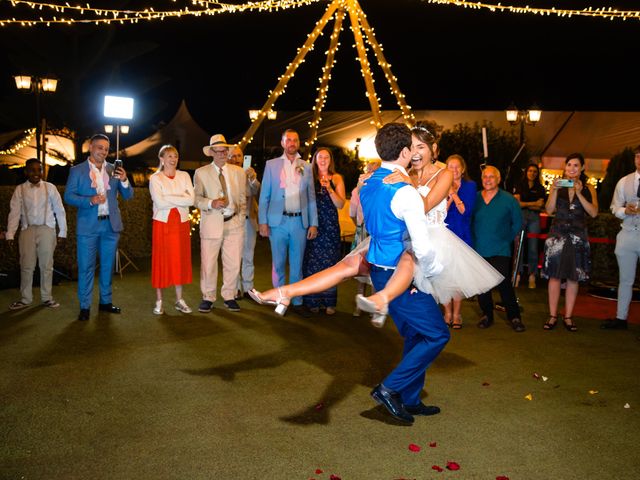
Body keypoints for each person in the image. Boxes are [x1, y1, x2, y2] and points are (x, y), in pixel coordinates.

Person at [64, 133, 134, 321]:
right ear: (91, 148)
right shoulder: (77, 171)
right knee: (86, 267)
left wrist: (125, 180)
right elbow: (68, 196)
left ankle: (105, 303)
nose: (103, 151)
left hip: (110, 228)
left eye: (106, 148)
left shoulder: (114, 169)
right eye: (99, 147)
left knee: (107, 267)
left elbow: (128, 196)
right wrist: (90, 200)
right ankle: (85, 306)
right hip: (88, 228)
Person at [258, 129, 318, 317]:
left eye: (295, 140)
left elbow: (311, 197)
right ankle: (279, 297)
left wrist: (313, 223)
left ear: (299, 143)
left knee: (297, 263)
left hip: (300, 222)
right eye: (288, 140)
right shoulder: (271, 165)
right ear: (283, 143)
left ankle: (297, 301)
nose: (292, 143)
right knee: (278, 263)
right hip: (278, 221)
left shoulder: (307, 166)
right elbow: (264, 196)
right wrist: (263, 222)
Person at [542, 153, 598, 331]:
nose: (572, 169)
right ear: (565, 168)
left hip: (578, 236)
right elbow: (549, 210)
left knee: (574, 276)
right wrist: (554, 191)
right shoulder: (558, 185)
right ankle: (552, 316)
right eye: (569, 165)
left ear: (581, 168)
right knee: (554, 275)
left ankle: (568, 316)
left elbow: (594, 212)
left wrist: (580, 194)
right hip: (557, 234)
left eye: (576, 165)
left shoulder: (589, 187)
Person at [194, 134, 247, 313]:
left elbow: (242, 199)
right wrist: (211, 203)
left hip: (234, 223)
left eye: (224, 150)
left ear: (228, 152)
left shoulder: (239, 172)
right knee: (208, 263)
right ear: (211, 153)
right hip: (211, 222)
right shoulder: (201, 173)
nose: (222, 154)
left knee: (233, 263)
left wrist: (240, 218)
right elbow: (196, 198)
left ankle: (229, 296)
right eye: (218, 151)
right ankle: (208, 297)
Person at [6, 158, 67, 310]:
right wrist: (10, 234)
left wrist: (63, 232)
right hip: (27, 230)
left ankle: (47, 298)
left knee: (46, 265)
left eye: (39, 169)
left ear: (42, 171)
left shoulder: (50, 188)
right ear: (26, 171)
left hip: (47, 229)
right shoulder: (19, 189)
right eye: (32, 170)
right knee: (26, 266)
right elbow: (14, 214)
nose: (36, 173)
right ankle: (26, 299)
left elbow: (60, 210)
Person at [472, 165, 526, 332]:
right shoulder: (475, 199)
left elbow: (518, 223)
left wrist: (506, 240)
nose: (487, 180)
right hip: (478, 248)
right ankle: (487, 315)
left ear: (499, 179)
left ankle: (514, 316)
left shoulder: (509, 200)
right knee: (482, 285)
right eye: (484, 177)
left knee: (503, 283)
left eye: (491, 177)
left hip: (501, 249)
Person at [149, 145, 195, 315]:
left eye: (175, 156)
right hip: (162, 224)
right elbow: (159, 203)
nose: (173, 159)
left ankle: (179, 300)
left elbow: (191, 199)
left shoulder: (184, 176)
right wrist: (179, 198)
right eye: (169, 156)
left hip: (181, 223)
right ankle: (159, 301)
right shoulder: (155, 178)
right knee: (161, 260)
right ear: (161, 158)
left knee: (179, 260)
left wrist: (169, 197)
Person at [302, 148, 346, 315]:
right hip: (313, 226)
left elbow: (340, 204)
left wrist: (329, 189)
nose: (323, 160)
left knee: (329, 264)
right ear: (315, 159)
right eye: (320, 157)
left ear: (330, 160)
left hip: (330, 227)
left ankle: (329, 303)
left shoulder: (336, 178)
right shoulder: (309, 178)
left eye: (326, 157)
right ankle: (312, 301)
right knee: (312, 264)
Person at [601, 146, 640, 331]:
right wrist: (625, 210)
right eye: (638, 156)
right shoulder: (624, 181)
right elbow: (614, 207)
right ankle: (621, 318)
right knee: (625, 279)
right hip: (628, 234)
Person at [443, 154, 477, 328]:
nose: (454, 170)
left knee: (457, 278)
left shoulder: (470, 186)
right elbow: (441, 213)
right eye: (450, 166)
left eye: (457, 167)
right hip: (443, 235)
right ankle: (447, 313)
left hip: (461, 234)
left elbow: (465, 211)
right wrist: (448, 195)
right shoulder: (440, 185)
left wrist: (454, 194)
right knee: (444, 277)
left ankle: (457, 314)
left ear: (463, 169)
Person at [227, 145, 261, 298]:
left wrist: (253, 178)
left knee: (248, 255)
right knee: (233, 256)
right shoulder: (225, 174)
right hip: (232, 220)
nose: (236, 159)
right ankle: (235, 289)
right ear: (228, 158)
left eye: (239, 156)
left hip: (248, 220)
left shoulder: (249, 174)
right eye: (232, 156)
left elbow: (257, 190)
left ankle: (248, 288)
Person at [349, 159, 380, 317]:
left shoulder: (382, 190)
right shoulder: (357, 191)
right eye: (369, 170)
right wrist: (359, 227)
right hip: (362, 233)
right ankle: (359, 305)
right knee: (361, 270)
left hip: (377, 234)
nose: (371, 174)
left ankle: (374, 307)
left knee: (376, 270)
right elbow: (352, 214)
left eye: (374, 171)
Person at [513, 163, 546, 289]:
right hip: (520, 216)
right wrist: (533, 203)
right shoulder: (519, 185)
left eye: (535, 171)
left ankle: (532, 275)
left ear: (537, 174)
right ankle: (518, 274)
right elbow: (518, 204)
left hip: (534, 217)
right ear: (526, 172)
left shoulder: (541, 188)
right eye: (530, 171)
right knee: (518, 246)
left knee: (533, 247)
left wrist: (525, 203)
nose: (532, 173)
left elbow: (540, 206)